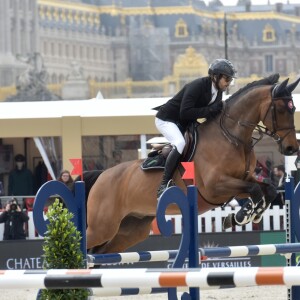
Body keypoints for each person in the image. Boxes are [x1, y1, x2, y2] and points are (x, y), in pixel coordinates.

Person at [154, 58, 237, 197]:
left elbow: (210, 115)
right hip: (167, 119)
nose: (228, 83)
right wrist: (211, 110)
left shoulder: (218, 91)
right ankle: (164, 184)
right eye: (227, 79)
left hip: (185, 122)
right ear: (215, 77)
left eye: (230, 80)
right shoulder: (197, 86)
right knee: (180, 143)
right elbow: (185, 112)